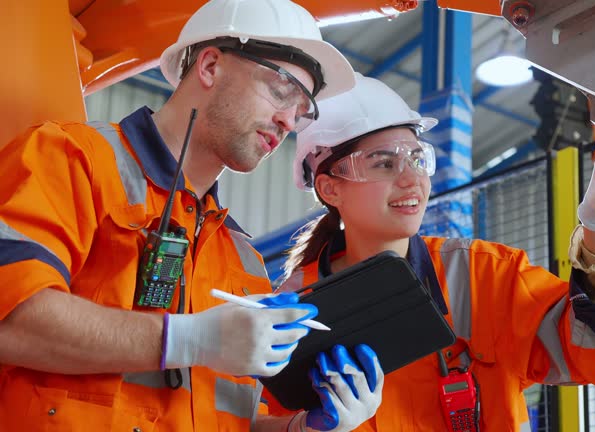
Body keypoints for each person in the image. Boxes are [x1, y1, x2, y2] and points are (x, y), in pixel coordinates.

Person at [0, 0, 382, 431]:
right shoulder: (71, 160)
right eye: (282, 90)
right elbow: (9, 319)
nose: (289, 121)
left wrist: (304, 427)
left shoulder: (244, 261)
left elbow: (233, 418)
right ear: (210, 66)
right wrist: (188, 339)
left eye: (302, 109)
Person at [266, 72, 595, 431]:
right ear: (331, 189)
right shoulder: (292, 307)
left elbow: (592, 349)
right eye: (384, 162)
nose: (412, 178)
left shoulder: (481, 276)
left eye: (417, 159)